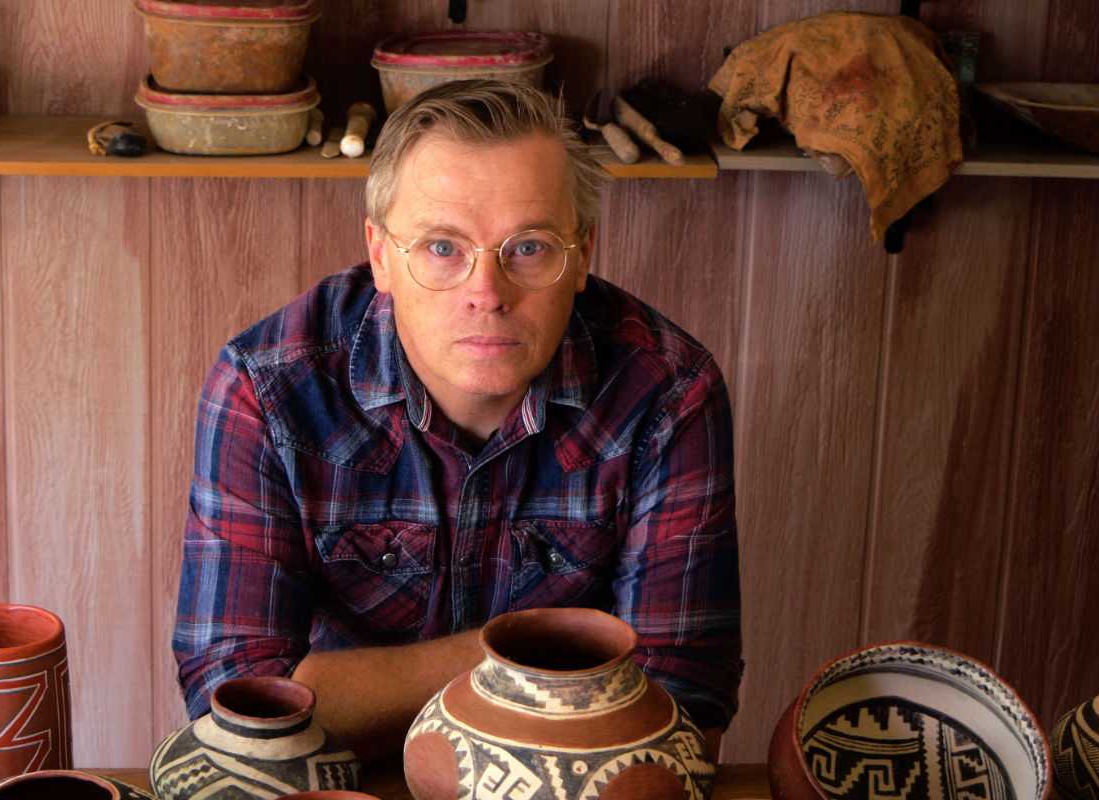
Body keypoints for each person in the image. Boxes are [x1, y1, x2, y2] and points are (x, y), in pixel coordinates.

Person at [173, 79, 741, 761]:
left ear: (583, 252)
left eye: (528, 247)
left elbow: (681, 713)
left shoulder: (667, 394)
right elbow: (235, 704)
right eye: (443, 248)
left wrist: (344, 690)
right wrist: (522, 655)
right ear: (381, 255)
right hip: (339, 793)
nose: (487, 293)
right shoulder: (268, 389)